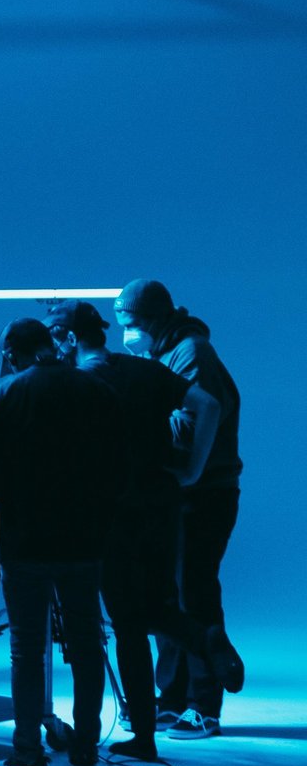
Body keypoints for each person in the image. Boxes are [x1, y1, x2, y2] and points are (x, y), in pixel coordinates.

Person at [46, 301, 244, 761]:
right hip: (162, 507)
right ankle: (202, 639)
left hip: (111, 514)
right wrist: (192, 469)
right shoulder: (143, 370)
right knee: (157, 605)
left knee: (128, 625)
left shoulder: (79, 385)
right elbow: (208, 404)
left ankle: (145, 736)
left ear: (70, 339)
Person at [0, 318, 124, 766]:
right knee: (86, 642)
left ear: (12, 354)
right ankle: (83, 761)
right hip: (84, 540)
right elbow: (121, 466)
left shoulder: (2, 396)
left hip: (26, 541)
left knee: (26, 649)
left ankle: (28, 760)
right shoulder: (98, 392)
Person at [113, 278, 243, 740]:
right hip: (174, 494)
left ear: (151, 319)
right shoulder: (162, 354)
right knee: (164, 594)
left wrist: (186, 469)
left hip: (205, 493)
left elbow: (201, 418)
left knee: (195, 593)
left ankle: (204, 706)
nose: (125, 332)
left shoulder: (191, 354)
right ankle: (169, 699)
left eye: (129, 323)